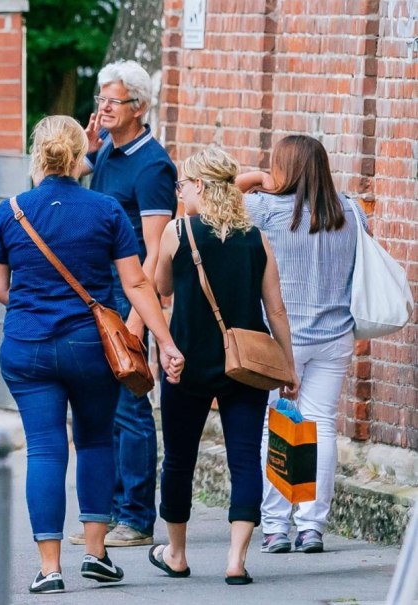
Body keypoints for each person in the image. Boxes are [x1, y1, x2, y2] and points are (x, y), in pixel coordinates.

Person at [0, 116, 184, 594]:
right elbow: (136, 283)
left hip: (27, 347)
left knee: (46, 449)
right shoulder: (107, 209)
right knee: (94, 442)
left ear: (38, 156)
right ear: (80, 157)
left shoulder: (10, 212)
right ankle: (96, 554)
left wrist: (33, 304)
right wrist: (166, 343)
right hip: (90, 348)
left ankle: (50, 568)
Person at [149, 147, 298, 585]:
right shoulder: (256, 237)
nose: (179, 192)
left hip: (187, 364)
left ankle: (176, 554)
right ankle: (235, 561)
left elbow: (161, 287)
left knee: (178, 460)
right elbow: (277, 310)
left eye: (182, 184)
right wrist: (288, 367)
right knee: (244, 461)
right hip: (247, 367)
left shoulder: (179, 231)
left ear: (198, 186)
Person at [238, 134, 370, 555]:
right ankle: (312, 526)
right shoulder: (351, 211)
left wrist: (257, 177)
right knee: (321, 425)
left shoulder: (264, 210)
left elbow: (211, 198)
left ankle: (276, 527)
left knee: (276, 425)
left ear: (284, 169)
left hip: (281, 339)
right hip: (335, 335)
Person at [79, 59, 179, 548]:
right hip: (100, 292)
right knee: (104, 404)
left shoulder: (153, 164)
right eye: (100, 101)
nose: (103, 109)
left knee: (132, 402)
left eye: (112, 102)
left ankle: (136, 518)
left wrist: (140, 318)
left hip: (131, 294)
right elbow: (66, 181)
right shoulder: (105, 155)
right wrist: (87, 144)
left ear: (138, 107)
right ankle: (111, 510)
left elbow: (156, 248)